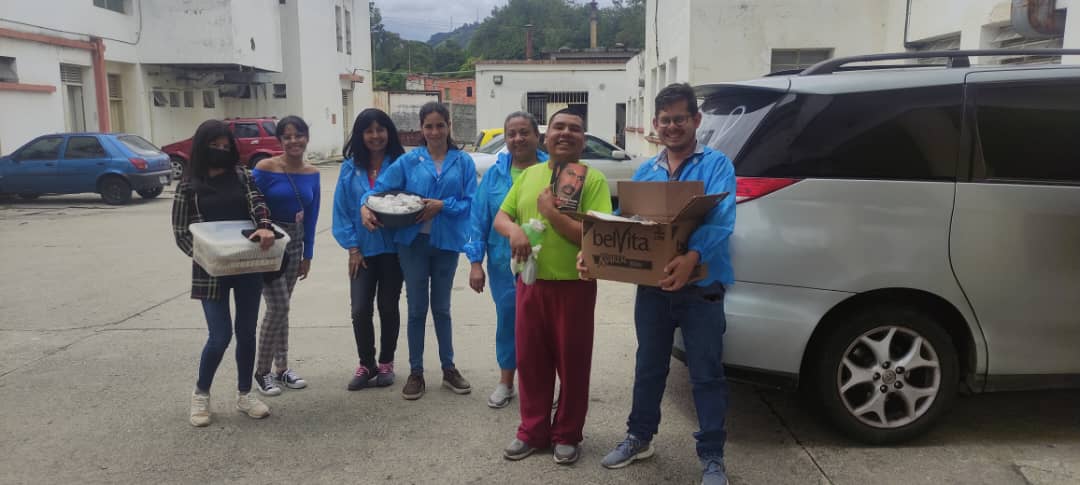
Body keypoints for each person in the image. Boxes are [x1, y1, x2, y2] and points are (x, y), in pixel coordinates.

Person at [586, 83, 736, 485]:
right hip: (652, 290)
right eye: (666, 119)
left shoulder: (717, 164)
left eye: (680, 118)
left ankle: (712, 457)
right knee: (649, 367)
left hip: (700, 290)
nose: (673, 126)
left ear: (695, 121)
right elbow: (627, 221)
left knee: (706, 373)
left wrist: (691, 257)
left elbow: (722, 221)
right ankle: (639, 437)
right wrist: (595, 247)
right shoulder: (646, 171)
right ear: (655, 124)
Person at [495, 108, 612, 465]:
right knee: (531, 362)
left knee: (573, 365)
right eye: (558, 127)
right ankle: (532, 431)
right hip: (530, 284)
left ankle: (567, 434)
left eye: (574, 129)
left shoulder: (592, 181)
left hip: (573, 287)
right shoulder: (529, 175)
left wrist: (551, 213)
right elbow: (502, 216)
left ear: (583, 139)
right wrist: (513, 231)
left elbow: (593, 236)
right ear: (546, 137)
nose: (565, 133)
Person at [360, 102, 476, 400]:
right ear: (421, 129)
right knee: (416, 310)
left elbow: (470, 203)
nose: (434, 131)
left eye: (440, 125)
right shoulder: (410, 162)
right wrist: (364, 205)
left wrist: (443, 206)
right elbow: (377, 190)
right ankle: (416, 372)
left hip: (447, 244)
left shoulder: (462, 162)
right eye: (429, 126)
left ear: (449, 126)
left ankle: (449, 368)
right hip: (412, 244)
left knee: (442, 309)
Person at [172, 119, 276, 427]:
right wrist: (209, 256)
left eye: (225, 145)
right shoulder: (188, 186)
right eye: (213, 146)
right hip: (210, 270)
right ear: (202, 149)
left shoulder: (243, 176)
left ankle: (245, 395)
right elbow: (181, 233)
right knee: (219, 336)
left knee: (246, 333)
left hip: (247, 266)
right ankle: (201, 395)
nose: (220, 150)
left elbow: (259, 205)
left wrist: (265, 227)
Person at [465, 111, 547, 409]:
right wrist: (475, 263)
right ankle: (506, 382)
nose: (518, 139)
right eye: (511, 133)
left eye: (524, 132)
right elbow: (478, 220)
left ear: (537, 137)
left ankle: (541, 386)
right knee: (509, 323)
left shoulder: (552, 171)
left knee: (543, 327)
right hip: (503, 265)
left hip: (545, 266)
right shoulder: (495, 176)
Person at [333, 108, 406, 390]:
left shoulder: (401, 164)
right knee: (360, 309)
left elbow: (409, 202)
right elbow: (341, 211)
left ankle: (386, 362)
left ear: (389, 132)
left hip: (393, 251)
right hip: (361, 252)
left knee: (388, 307)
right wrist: (352, 247)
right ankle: (367, 364)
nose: (376, 136)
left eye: (381, 129)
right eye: (369, 130)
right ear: (360, 135)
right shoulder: (349, 168)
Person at [250, 116, 321, 396]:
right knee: (278, 307)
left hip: (296, 243)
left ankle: (282, 369)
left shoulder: (312, 173)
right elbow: (250, 202)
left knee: (284, 307)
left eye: (299, 135)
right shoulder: (265, 168)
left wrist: (308, 253)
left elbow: (312, 217)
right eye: (287, 136)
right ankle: (261, 372)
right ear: (280, 141)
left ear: (306, 138)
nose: (294, 141)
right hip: (269, 245)